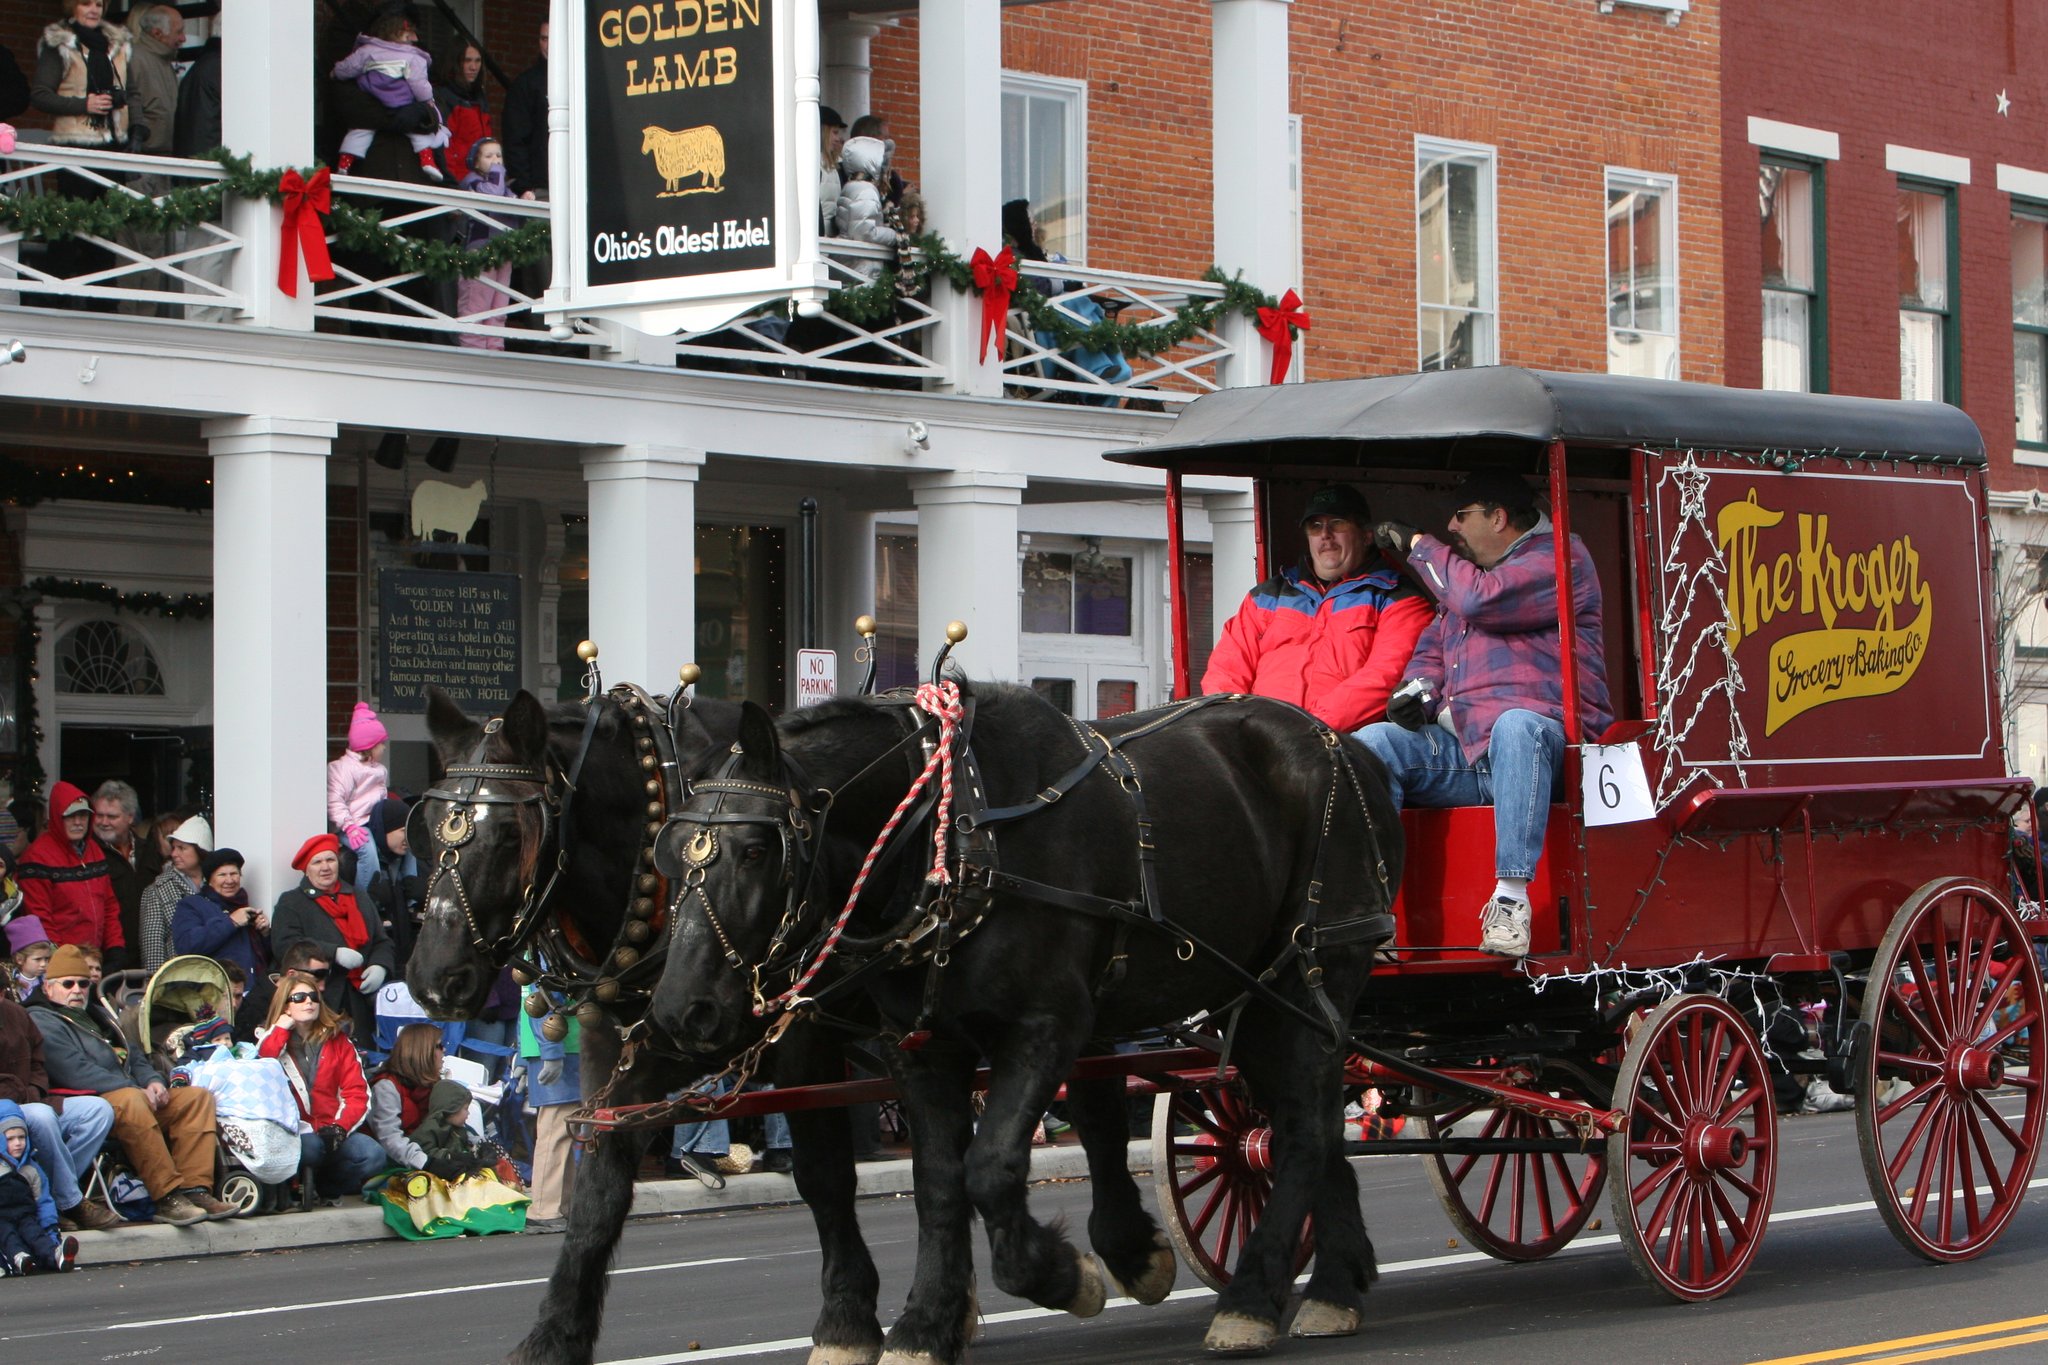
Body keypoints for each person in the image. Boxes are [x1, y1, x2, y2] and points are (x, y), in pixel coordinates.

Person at [1361, 471, 1613, 958]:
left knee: (1514, 724)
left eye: (1462, 515)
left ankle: (1511, 901)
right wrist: (1417, 694)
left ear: (1498, 517)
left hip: (1550, 755)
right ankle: (1373, 913)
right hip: (1470, 752)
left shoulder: (1560, 558)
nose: (1452, 527)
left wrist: (1419, 545)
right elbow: (1430, 655)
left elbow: (1481, 599)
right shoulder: (1463, 583)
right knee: (1375, 743)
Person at [1202, 484, 1435, 732]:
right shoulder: (1265, 597)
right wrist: (1233, 727)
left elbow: (1384, 677)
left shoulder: (1400, 598)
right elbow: (1226, 670)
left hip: (1342, 743)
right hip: (1258, 737)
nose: (1325, 534)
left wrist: (1306, 731)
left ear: (1366, 536)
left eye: (1337, 523)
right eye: (1315, 526)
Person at [27, 945, 233, 1224]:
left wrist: (153, 1081)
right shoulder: (41, 1018)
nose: (77, 990)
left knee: (197, 1098)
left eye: (84, 984)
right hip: (90, 1101)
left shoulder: (98, 1014)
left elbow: (133, 1054)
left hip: (132, 1095)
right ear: (48, 987)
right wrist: (137, 1089)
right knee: (131, 1100)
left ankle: (195, 1189)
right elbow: (74, 1071)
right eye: (68, 984)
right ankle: (167, 1197)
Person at [256, 969, 386, 1201]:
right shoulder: (272, 1039)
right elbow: (263, 1063)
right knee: (311, 1147)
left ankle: (327, 1188)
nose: (309, 1002)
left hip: (332, 1130)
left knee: (373, 1155)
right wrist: (281, 1030)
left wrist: (339, 1128)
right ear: (285, 1006)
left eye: (314, 997)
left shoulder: (340, 1041)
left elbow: (357, 1093)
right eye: (299, 998)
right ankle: (295, 1188)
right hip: (295, 1133)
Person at [0, 991, 121, 1233]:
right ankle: (71, 1202)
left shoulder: (16, 1013)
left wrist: (34, 1089)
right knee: (42, 1116)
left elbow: (38, 1064)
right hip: (7, 1107)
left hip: (30, 1098)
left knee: (97, 1110)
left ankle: (49, 1195)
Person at [1000, 198, 1132, 404]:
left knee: (1087, 307)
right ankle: (1102, 370)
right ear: (1019, 225)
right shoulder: (1011, 257)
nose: (1035, 225)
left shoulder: (1034, 254)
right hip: (1040, 327)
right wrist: (1063, 279)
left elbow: (1052, 283)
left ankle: (1110, 371)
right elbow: (1038, 285)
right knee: (1077, 304)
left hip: (1057, 325)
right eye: (1030, 221)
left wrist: (1064, 279)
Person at [270, 833, 394, 1041]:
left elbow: (381, 941)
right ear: (307, 869)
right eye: (317, 862)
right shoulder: (291, 902)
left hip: (360, 999)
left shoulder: (359, 896)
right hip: (319, 1000)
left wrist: (380, 966)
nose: (325, 867)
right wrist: (333, 953)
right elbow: (285, 946)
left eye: (330, 860)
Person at [14, 782, 125, 969]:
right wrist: (63, 961)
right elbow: (40, 918)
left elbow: (109, 906)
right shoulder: (37, 857)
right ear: (58, 817)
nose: (78, 822)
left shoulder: (95, 850)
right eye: (70, 816)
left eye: (83, 815)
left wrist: (115, 948)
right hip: (58, 963)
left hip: (94, 960)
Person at [330, 11, 448, 180]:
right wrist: (424, 104)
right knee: (418, 136)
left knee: (358, 134)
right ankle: (427, 161)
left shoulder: (366, 52)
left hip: (407, 174)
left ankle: (345, 163)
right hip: (376, 171)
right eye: (408, 33)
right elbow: (420, 87)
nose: (413, 38)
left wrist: (335, 72)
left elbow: (346, 69)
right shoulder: (413, 59)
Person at [517, 981, 578, 1233]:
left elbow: (532, 1002)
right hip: (563, 1047)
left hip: (559, 1047)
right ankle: (544, 1210)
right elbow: (542, 1000)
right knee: (557, 1131)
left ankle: (561, 1206)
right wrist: (551, 1052)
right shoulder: (544, 956)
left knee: (566, 1131)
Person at [31, 0, 131, 149]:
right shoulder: (60, 44)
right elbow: (40, 96)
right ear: (72, 7)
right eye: (86, 4)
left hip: (116, 141)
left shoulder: (118, 45)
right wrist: (84, 105)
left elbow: (134, 92)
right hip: (74, 142)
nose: (94, 10)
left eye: (99, 5)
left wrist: (138, 128)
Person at [455, 138, 524, 351]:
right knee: (477, 302)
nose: (496, 160)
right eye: (489, 156)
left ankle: (495, 346)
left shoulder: (503, 185)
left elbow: (514, 211)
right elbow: (492, 193)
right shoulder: (473, 181)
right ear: (476, 163)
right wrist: (497, 171)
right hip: (481, 249)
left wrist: (525, 199)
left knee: (499, 303)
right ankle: (473, 348)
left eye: (498, 155)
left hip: (504, 250)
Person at [0, 1102, 79, 1275]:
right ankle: (19, 1258)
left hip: (26, 1216)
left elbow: (43, 1201)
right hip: (1, 1219)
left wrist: (51, 1229)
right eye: (10, 1139)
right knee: (7, 1236)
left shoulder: (31, 1169)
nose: (18, 1143)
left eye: (22, 1137)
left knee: (35, 1234)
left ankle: (56, 1255)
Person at [170, 848, 272, 980]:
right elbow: (186, 946)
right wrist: (231, 922)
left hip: (255, 988)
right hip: (215, 987)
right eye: (222, 875)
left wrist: (265, 934)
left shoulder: (244, 907)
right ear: (210, 880)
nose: (229, 880)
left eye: (234, 874)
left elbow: (267, 957)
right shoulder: (192, 905)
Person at [328, 702, 390, 901]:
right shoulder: (342, 769)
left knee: (405, 843)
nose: (384, 747)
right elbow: (335, 802)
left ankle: (409, 893)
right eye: (381, 743)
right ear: (369, 747)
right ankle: (364, 901)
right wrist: (349, 827)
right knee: (367, 851)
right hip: (352, 826)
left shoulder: (379, 770)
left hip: (374, 823)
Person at [368, 1023, 446, 1174]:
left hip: (424, 1156)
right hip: (393, 1162)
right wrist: (427, 1163)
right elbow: (390, 1138)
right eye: (439, 1046)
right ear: (422, 1052)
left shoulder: (434, 1084)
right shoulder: (386, 1087)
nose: (444, 1050)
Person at [139, 814, 210, 973]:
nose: (174, 854)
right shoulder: (157, 890)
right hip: (179, 979)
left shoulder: (219, 883)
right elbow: (153, 951)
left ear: (200, 850)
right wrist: (158, 983)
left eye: (182, 848)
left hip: (216, 977)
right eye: (173, 848)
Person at [91, 781, 145, 960]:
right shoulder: (88, 854)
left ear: (130, 817)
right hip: (108, 954)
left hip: (145, 951)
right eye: (99, 815)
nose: (104, 822)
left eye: (112, 816)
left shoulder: (149, 850)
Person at [236, 942, 332, 1044]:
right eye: (316, 979)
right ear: (292, 975)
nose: (322, 987)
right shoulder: (254, 1008)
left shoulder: (317, 1000)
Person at [406, 1078, 493, 1177]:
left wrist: (480, 1148)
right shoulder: (429, 1130)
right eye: (465, 1109)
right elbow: (423, 1154)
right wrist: (450, 1156)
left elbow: (470, 1140)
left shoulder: (459, 1128)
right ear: (451, 1109)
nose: (468, 1113)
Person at [123, 3, 180, 154]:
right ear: (157, 33)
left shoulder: (165, 62)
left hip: (163, 153)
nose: (183, 38)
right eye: (179, 32)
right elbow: (128, 103)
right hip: (143, 154)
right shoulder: (135, 59)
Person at [501, 19, 548, 198]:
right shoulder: (526, 84)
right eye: (544, 39)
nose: (548, 45)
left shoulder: (579, 78)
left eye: (553, 38)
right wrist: (523, 186)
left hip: (578, 184)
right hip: (539, 189)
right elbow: (515, 137)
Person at [434, 39, 491, 187]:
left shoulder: (480, 98)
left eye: (478, 61)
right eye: (467, 61)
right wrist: (452, 185)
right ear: (455, 63)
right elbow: (444, 146)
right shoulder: (443, 96)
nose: (474, 67)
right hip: (456, 184)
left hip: (479, 184)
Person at [169, 14, 220, 156]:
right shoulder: (220, 67)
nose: (183, 39)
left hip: (198, 156)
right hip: (209, 159)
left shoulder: (206, 64)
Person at [816, 105, 846, 238]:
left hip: (831, 239)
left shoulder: (837, 166)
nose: (838, 138)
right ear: (823, 132)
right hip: (819, 238)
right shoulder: (811, 163)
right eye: (834, 132)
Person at [6, 916, 51, 1003]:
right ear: (20, 960)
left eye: (46, 959)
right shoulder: (10, 982)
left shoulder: (49, 978)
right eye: (38, 959)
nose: (43, 964)